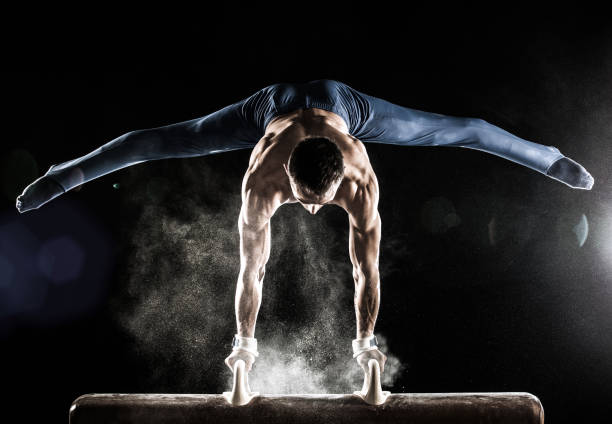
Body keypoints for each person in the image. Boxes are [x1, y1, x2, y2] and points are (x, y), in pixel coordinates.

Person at [15, 79, 594, 380]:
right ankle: (64, 175)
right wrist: (245, 341)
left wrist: (365, 338)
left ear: (340, 181)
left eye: (321, 202)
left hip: (347, 108)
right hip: (268, 111)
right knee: (160, 140)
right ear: (288, 182)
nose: (312, 211)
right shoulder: (263, 179)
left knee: (463, 129)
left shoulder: (361, 181)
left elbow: (363, 270)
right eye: (304, 200)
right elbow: (253, 267)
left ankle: (548, 158)